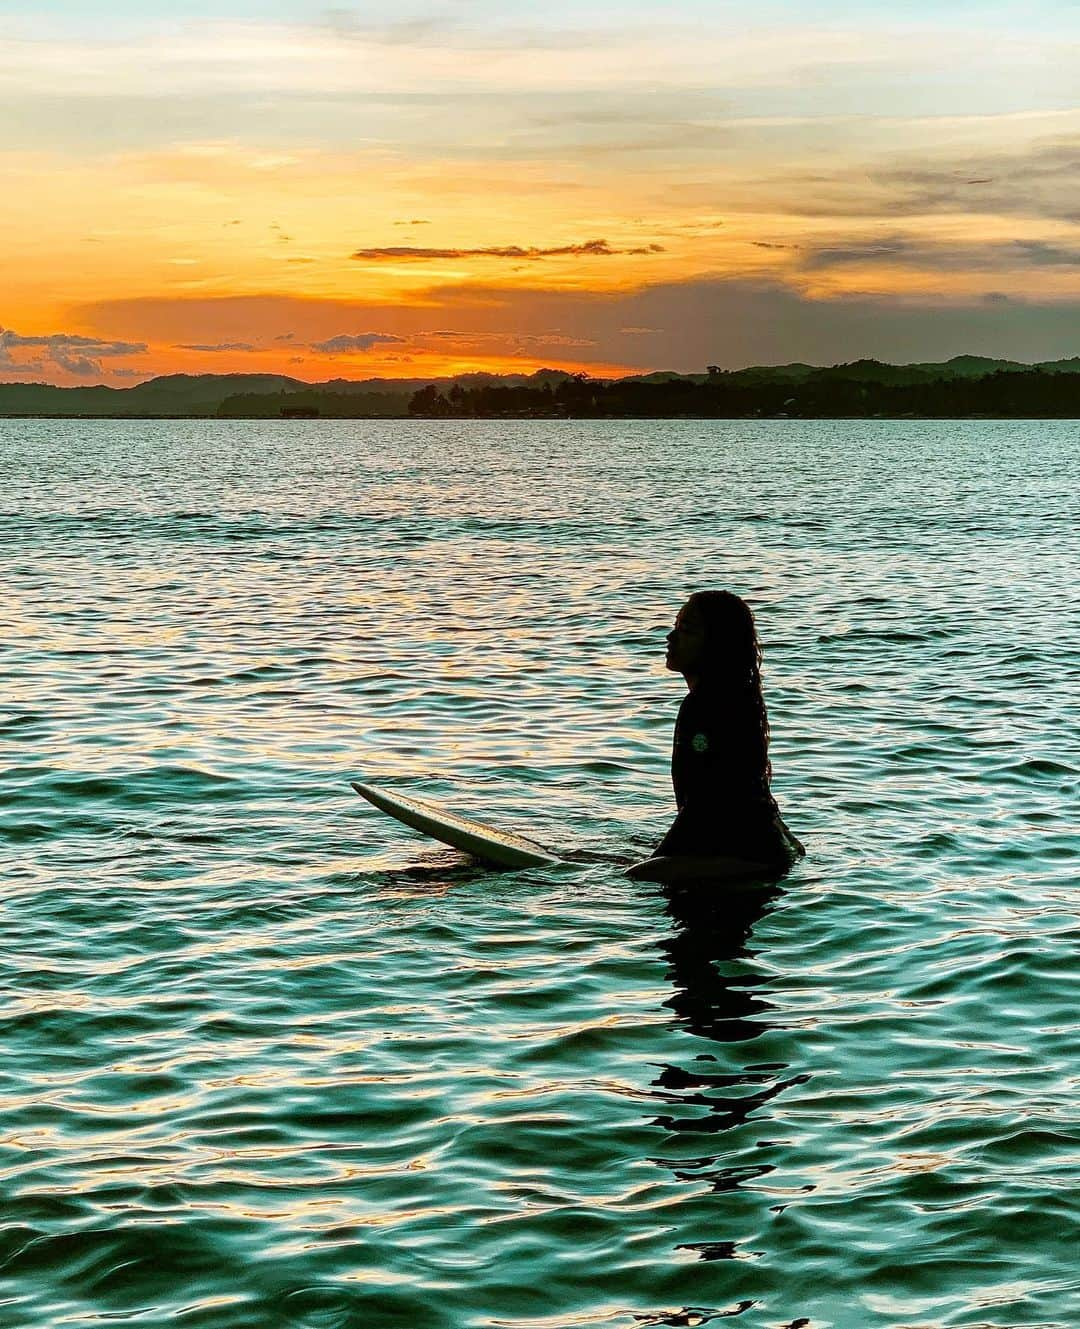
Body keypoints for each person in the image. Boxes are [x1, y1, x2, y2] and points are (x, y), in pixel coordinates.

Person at [627, 590, 804, 884]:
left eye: (687, 630)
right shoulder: (734, 699)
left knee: (638, 875)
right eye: (676, 626)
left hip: (750, 855)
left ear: (716, 645)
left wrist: (657, 859)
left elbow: (700, 805)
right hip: (769, 847)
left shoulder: (705, 706)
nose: (671, 637)